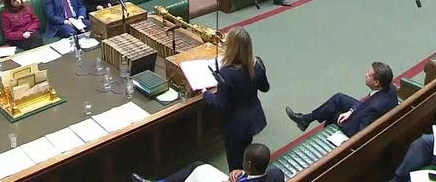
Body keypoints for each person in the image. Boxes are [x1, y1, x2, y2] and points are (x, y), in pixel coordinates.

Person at [202, 28, 270, 170]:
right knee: (245, 152)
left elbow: (220, 106)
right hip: (252, 120)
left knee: (234, 164)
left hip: (234, 125)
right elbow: (265, 87)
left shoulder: (227, 74)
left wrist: (205, 94)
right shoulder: (257, 64)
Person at [285, 62, 397, 134]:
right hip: (365, 111)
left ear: (377, 82)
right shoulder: (389, 87)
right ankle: (306, 119)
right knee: (338, 99)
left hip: (358, 125)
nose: (365, 75)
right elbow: (369, 103)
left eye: (368, 75)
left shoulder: (374, 108)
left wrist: (347, 117)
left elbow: (361, 133)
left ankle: (326, 137)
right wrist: (351, 111)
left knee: (333, 114)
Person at [130, 143, 284, 182]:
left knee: (198, 170)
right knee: (197, 165)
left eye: (244, 162)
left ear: (249, 164)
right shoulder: (276, 174)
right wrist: (243, 173)